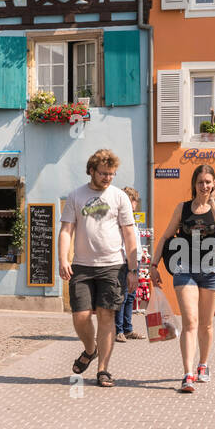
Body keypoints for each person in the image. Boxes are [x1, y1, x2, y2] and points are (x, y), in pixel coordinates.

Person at [58, 149, 139, 388]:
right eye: (103, 173)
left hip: (113, 266)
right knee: (80, 316)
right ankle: (90, 349)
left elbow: (129, 234)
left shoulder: (119, 197)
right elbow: (66, 230)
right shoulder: (76, 196)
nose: (107, 178)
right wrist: (63, 258)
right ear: (91, 171)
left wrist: (133, 270)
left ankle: (103, 369)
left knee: (107, 317)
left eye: (112, 174)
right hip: (82, 266)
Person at [150, 164, 215, 393]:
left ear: (214, 183)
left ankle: (202, 365)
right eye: (200, 182)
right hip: (184, 268)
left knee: (206, 324)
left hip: (212, 271)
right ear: (194, 184)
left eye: (208, 182)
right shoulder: (183, 208)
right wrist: (153, 265)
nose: (204, 186)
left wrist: (213, 201)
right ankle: (187, 374)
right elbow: (166, 236)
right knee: (190, 322)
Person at [115, 187, 146, 342]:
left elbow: (135, 243)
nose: (134, 203)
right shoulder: (120, 220)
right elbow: (124, 243)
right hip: (125, 262)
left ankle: (128, 329)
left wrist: (140, 256)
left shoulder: (132, 220)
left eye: (134, 200)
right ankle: (118, 330)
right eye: (132, 200)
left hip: (136, 260)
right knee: (123, 295)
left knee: (131, 295)